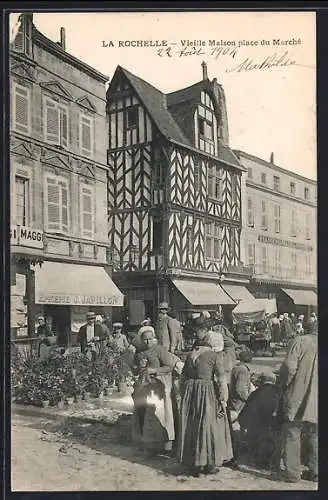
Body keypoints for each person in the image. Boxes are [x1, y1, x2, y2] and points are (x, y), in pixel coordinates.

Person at [177, 338, 232, 477]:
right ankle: (209, 463)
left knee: (192, 425)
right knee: (208, 426)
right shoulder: (214, 356)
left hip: (190, 391)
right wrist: (223, 397)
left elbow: (182, 377)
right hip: (206, 391)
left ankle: (193, 464)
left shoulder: (190, 355)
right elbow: (221, 378)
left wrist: (184, 394)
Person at [275, 319, 318, 483]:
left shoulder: (299, 341)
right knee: (315, 433)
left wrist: (284, 384)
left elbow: (288, 367)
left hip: (299, 393)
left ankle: (292, 473)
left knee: (293, 431)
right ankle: (316, 471)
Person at [131, 327, 176, 456]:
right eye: (145, 339)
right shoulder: (139, 352)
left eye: (150, 339)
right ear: (141, 340)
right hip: (143, 386)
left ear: (154, 338)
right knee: (143, 412)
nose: (147, 342)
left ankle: (163, 444)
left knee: (159, 414)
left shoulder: (159, 350)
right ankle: (146, 443)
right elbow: (134, 369)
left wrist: (154, 371)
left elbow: (170, 366)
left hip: (158, 385)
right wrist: (139, 366)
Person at [239, 371, 280, 469]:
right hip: (276, 428)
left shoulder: (256, 393)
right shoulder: (279, 392)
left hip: (258, 430)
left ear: (262, 380)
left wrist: (243, 423)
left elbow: (246, 413)